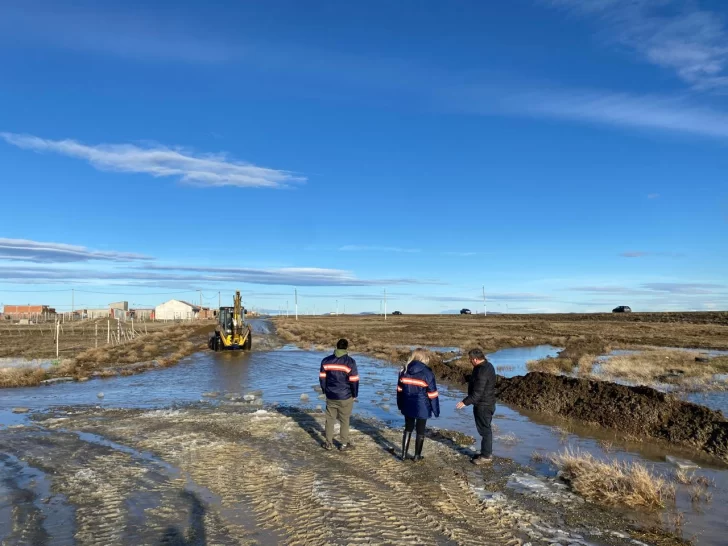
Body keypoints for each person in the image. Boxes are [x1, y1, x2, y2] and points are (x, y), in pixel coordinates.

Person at [396, 348, 440, 461]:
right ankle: (417, 456)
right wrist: (436, 410)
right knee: (420, 430)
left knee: (408, 428)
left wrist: (400, 404)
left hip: (407, 403)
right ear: (424, 358)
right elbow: (432, 394)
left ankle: (403, 455)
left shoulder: (404, 371)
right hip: (422, 405)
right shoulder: (427, 373)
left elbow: (399, 390)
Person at [456, 348, 496, 465]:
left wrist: (465, 402)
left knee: (485, 431)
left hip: (483, 405)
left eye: (470, 359)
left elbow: (478, 393)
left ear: (475, 359)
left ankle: (486, 456)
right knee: (485, 429)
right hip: (487, 403)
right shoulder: (486, 366)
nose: (469, 361)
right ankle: (485, 453)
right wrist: (467, 378)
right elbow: (479, 381)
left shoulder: (482, 370)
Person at [319, 339, 359, 451]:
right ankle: (344, 444)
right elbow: (354, 380)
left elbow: (322, 378)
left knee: (330, 420)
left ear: (336, 347)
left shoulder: (326, 361)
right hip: (346, 396)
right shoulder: (350, 362)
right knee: (345, 420)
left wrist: (325, 390)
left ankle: (328, 443)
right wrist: (354, 394)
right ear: (346, 348)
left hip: (331, 395)